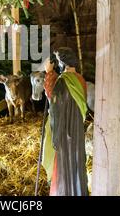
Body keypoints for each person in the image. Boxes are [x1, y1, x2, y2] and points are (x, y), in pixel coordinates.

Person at [44, 47, 88, 196]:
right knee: (76, 159)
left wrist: (49, 73)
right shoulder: (80, 79)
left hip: (64, 129)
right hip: (76, 128)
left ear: (62, 63)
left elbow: (53, 98)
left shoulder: (64, 81)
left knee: (64, 160)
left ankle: (63, 191)